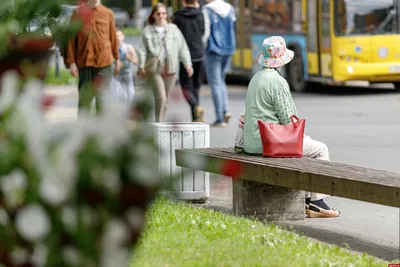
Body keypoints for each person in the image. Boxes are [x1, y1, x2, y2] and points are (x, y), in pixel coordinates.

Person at [243, 36, 340, 218]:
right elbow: (289, 120)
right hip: (269, 144)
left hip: (252, 142)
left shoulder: (256, 78)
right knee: (320, 149)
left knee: (308, 143)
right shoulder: (278, 82)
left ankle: (310, 199)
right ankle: (316, 202)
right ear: (281, 60)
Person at [137, 3, 193, 122]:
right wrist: (141, 66)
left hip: (171, 67)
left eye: (163, 13)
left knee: (165, 99)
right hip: (154, 69)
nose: (161, 16)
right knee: (161, 97)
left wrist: (187, 64)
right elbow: (141, 50)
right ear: (153, 15)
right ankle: (159, 123)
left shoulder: (173, 29)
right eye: (158, 14)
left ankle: (159, 120)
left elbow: (183, 47)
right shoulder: (148, 30)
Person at [66, 0, 120, 114]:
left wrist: (117, 58)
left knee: (103, 100)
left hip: (104, 62)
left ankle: (101, 130)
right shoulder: (77, 13)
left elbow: (113, 37)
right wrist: (71, 63)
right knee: (85, 100)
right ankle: (83, 130)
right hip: (84, 62)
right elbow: (70, 40)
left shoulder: (108, 13)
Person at [202, 0, 236, 127]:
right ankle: (225, 110)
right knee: (221, 80)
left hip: (213, 49)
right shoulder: (230, 8)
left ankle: (220, 118)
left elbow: (206, 32)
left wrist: (202, 46)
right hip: (228, 48)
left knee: (215, 82)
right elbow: (232, 28)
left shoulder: (207, 10)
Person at [173, 0, 205, 122]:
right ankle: (195, 117)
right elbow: (202, 31)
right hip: (199, 54)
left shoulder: (178, 16)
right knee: (196, 87)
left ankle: (195, 107)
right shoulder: (200, 14)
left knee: (186, 87)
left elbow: (175, 35)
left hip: (184, 56)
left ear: (183, 2)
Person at [111, 29, 138, 117]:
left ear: (123, 36)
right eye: (116, 36)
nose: (118, 38)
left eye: (120, 35)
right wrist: (119, 63)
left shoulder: (128, 47)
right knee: (117, 95)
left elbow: (135, 61)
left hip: (127, 74)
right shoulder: (111, 48)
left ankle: (128, 115)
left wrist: (130, 58)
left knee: (130, 95)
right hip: (116, 76)